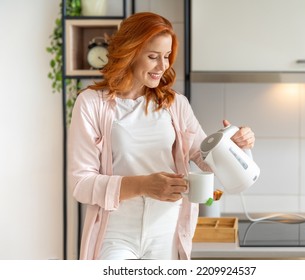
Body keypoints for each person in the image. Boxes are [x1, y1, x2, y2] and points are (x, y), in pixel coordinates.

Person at [68, 12, 255, 260]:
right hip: (115, 232)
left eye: (166, 56)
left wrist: (235, 146)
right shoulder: (91, 103)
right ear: (130, 53)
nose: (163, 66)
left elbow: (204, 158)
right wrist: (144, 185)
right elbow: (81, 184)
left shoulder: (175, 104)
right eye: (153, 57)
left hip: (166, 232)